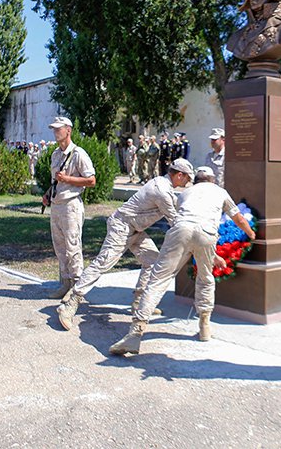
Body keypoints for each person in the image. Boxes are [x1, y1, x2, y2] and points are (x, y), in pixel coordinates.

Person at [109, 166, 256, 355]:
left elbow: (186, 221)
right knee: (205, 278)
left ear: (197, 180)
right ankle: (204, 326)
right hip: (207, 234)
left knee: (158, 280)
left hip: (181, 230)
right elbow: (239, 219)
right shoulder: (220, 192)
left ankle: (135, 333)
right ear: (212, 180)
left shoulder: (186, 193)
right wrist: (252, 235)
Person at [56, 158, 195, 330]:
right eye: (187, 178)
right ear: (179, 175)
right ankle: (70, 304)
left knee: (152, 260)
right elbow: (175, 221)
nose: (188, 182)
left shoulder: (164, 187)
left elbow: (178, 210)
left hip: (135, 228)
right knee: (103, 263)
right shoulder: (162, 191)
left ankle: (138, 302)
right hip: (121, 226)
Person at [42, 116, 96, 299]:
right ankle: (65, 284)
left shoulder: (79, 153)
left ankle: (76, 288)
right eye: (54, 129)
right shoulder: (55, 154)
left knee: (73, 247)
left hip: (71, 206)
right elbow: (55, 180)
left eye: (59, 128)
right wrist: (48, 193)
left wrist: (68, 179)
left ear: (68, 130)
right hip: (57, 205)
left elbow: (91, 180)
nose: (56, 132)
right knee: (60, 247)